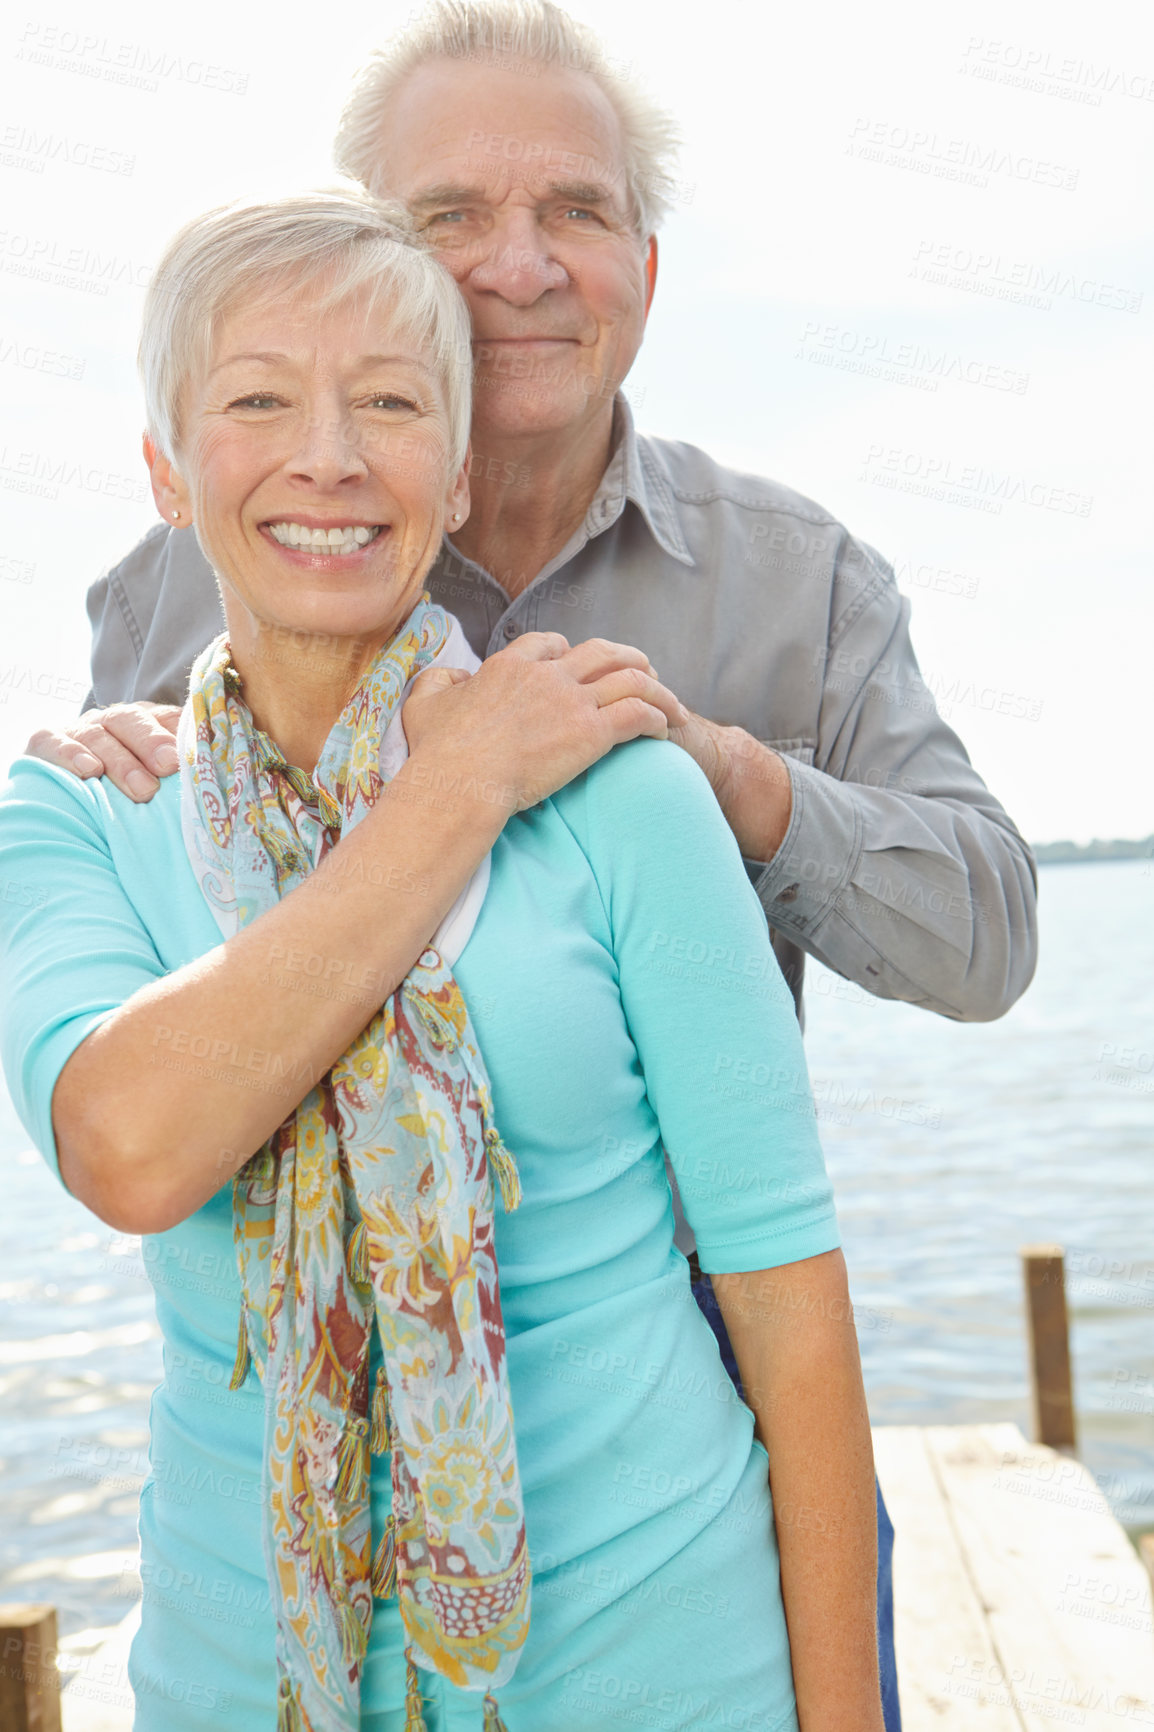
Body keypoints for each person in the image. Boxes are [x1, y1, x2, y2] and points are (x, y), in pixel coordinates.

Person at [24, 6, 1041, 1725]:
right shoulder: (193, 562)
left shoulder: (791, 580)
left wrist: (730, 781)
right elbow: (152, 946)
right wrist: (99, 758)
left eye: (574, 211)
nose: (521, 266)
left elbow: (987, 935)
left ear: (641, 264)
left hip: (704, 1356)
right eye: (450, 219)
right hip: (300, 1410)